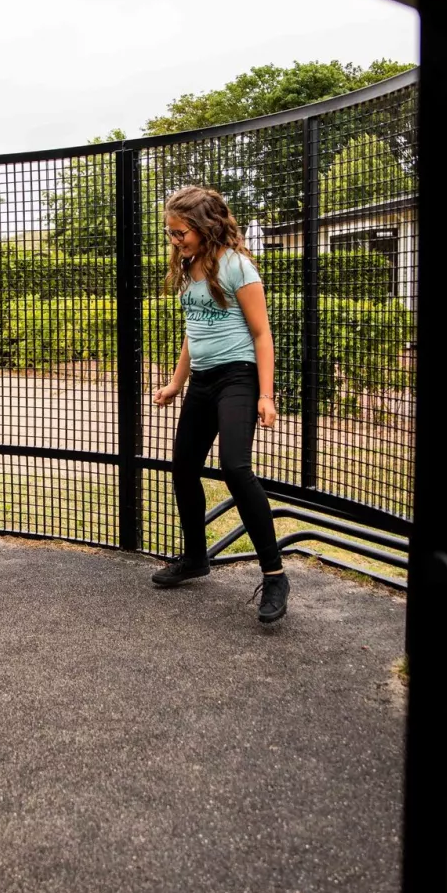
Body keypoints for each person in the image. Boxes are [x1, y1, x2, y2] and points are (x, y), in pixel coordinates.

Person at [150, 185, 287, 623]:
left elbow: (262, 334)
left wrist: (266, 395)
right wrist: (176, 383)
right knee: (183, 467)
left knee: (234, 467)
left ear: (205, 227)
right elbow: (195, 331)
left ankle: (275, 574)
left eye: (180, 233)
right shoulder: (190, 266)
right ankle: (195, 558)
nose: (175, 240)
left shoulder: (237, 266)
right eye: (171, 233)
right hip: (204, 381)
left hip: (238, 377)